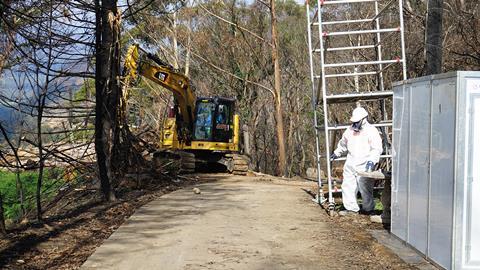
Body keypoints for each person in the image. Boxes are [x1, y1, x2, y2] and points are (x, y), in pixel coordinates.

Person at [330, 106, 383, 216]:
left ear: (364, 119)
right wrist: (337, 152)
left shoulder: (371, 131)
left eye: (357, 121)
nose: (355, 124)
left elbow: (377, 148)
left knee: (365, 187)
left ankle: (368, 209)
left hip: (365, 164)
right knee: (348, 185)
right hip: (351, 162)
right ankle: (351, 209)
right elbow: (343, 143)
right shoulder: (349, 130)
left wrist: (372, 161)